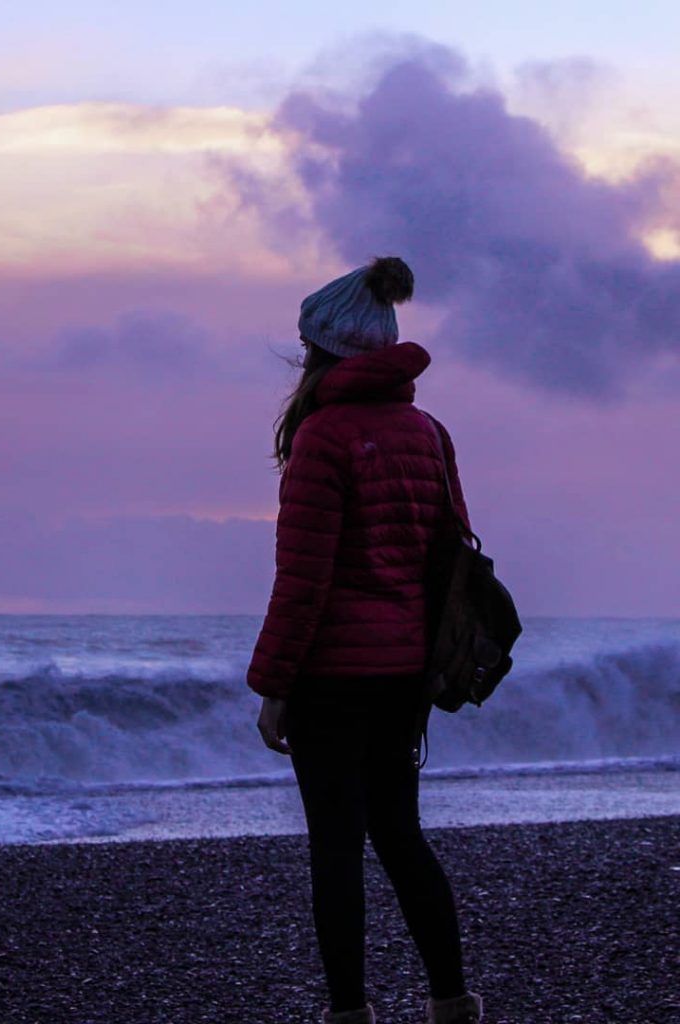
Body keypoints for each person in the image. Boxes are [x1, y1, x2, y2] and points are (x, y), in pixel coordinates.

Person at [246, 256, 483, 1024]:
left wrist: (274, 684)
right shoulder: (428, 432)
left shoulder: (323, 438)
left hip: (332, 678)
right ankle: (451, 1002)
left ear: (322, 351)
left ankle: (350, 1014)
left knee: (337, 849)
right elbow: (448, 554)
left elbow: (303, 577)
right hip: (403, 671)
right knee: (402, 836)